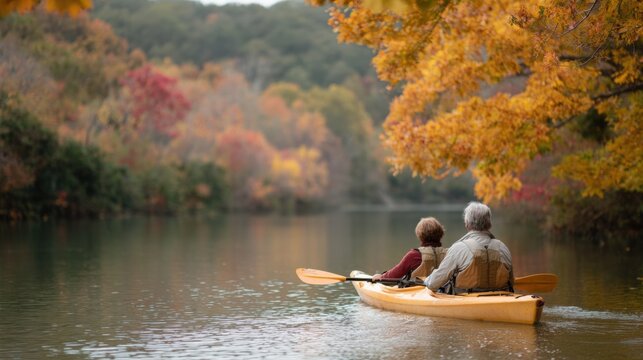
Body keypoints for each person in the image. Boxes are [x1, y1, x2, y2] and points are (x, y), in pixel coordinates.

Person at [424, 202, 514, 294]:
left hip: (465, 301)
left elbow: (433, 283)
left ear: (467, 224)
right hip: (500, 298)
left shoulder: (458, 248)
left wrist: (426, 280)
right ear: (489, 224)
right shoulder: (503, 247)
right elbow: (511, 281)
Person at [372, 217, 448, 283]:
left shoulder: (414, 255)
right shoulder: (449, 254)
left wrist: (381, 277)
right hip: (443, 293)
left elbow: (393, 275)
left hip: (417, 294)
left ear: (420, 234)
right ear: (441, 233)